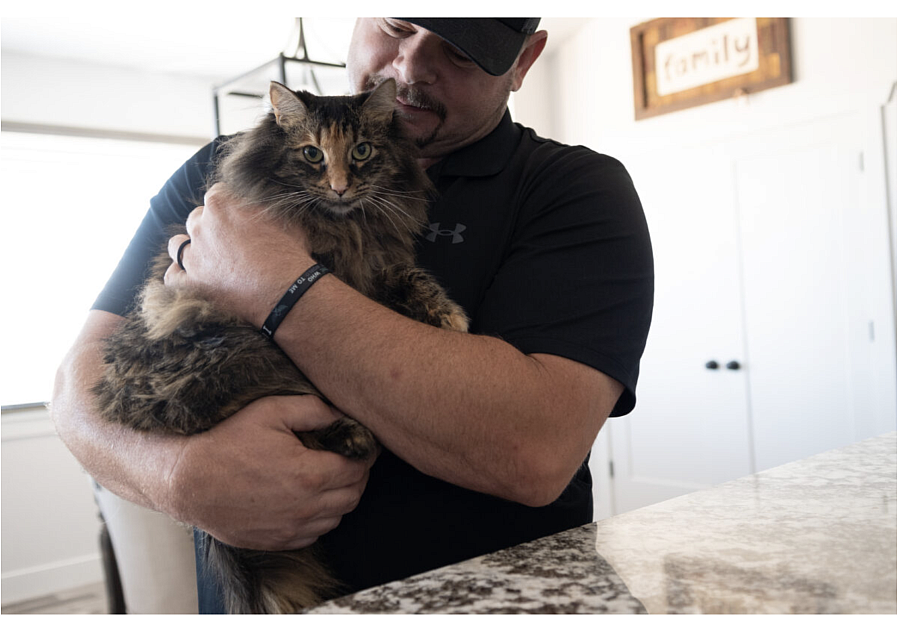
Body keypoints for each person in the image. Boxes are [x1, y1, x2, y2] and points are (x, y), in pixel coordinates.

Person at [52, 18, 653, 611]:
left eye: (460, 52)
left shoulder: (577, 189)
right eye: (396, 25)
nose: (412, 67)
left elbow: (536, 453)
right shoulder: (223, 170)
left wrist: (276, 282)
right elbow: (76, 390)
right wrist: (176, 476)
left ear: (522, 62)